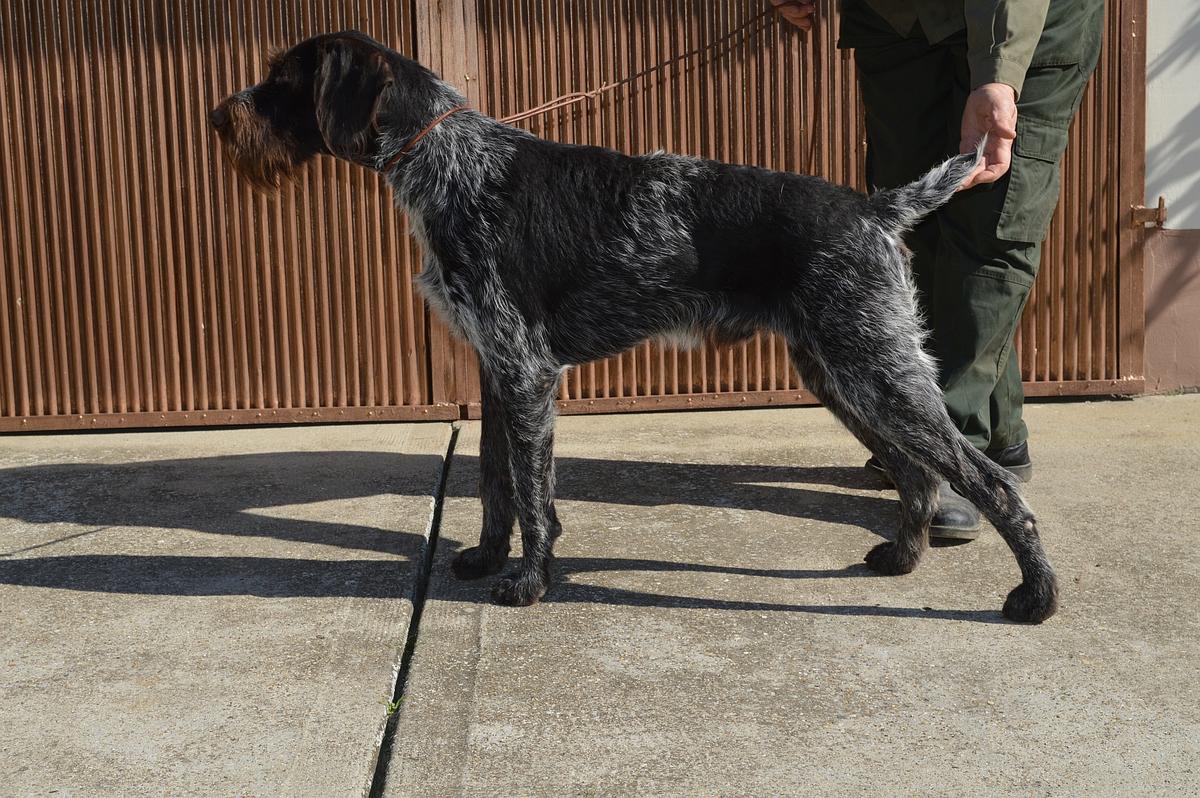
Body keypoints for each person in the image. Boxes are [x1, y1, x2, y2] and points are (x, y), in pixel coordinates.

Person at [770, 0, 1104, 538]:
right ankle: (998, 430)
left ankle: (949, 454)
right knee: (910, 222)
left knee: (992, 225)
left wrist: (998, 75)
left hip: (1031, 24)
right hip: (899, 22)